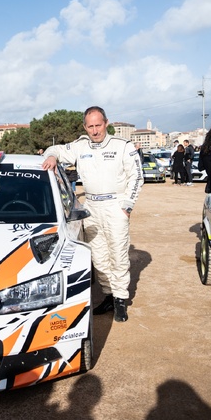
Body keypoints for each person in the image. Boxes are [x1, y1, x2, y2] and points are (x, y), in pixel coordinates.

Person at [42, 106, 143, 322]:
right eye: (90, 126)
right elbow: (56, 150)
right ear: (84, 127)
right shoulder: (80, 146)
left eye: (98, 125)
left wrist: (127, 206)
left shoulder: (122, 146)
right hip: (91, 206)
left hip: (115, 205)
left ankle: (120, 300)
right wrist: (51, 156)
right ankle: (108, 295)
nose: (95, 131)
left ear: (106, 123)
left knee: (118, 254)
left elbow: (137, 176)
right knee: (98, 255)